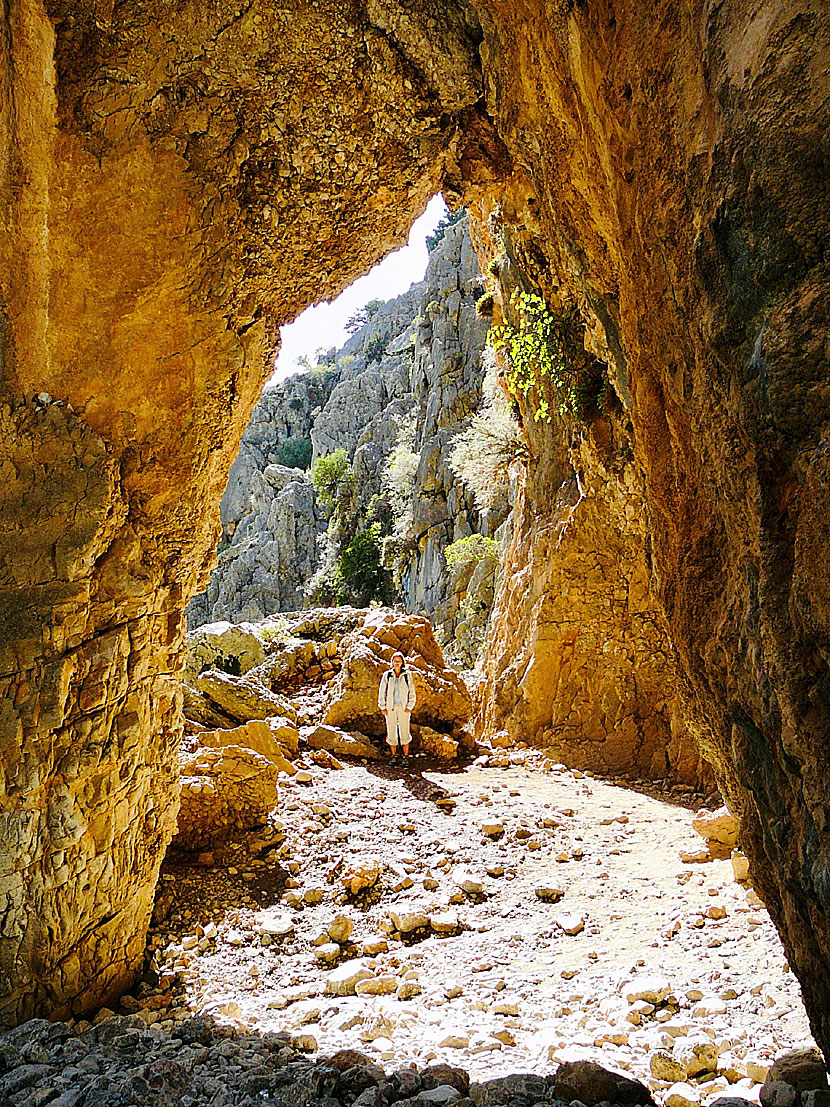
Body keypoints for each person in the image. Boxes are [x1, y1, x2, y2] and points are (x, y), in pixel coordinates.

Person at [378, 651, 416, 765]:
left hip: (404, 708)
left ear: (402, 662)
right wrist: (383, 706)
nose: (397, 663)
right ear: (392, 662)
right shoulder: (387, 675)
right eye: (395, 661)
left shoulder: (407, 675)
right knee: (391, 732)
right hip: (390, 708)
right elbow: (382, 691)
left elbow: (411, 691)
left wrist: (410, 706)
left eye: (399, 661)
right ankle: (394, 756)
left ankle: (405, 757)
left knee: (405, 732)